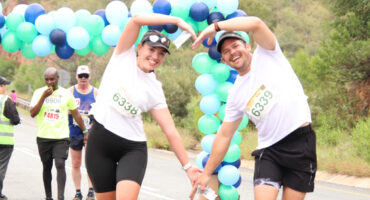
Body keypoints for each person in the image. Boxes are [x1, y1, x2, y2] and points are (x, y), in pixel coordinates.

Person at [190, 16, 317, 200]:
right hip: (270, 151)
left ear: (248, 46)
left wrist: (215, 27)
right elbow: (225, 135)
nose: (232, 52)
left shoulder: (269, 54)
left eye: (235, 46)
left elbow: (256, 23)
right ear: (224, 61)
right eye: (226, 52)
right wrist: (206, 173)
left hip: (301, 143)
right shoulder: (235, 94)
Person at [85, 13, 201, 200]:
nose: (155, 57)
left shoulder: (154, 88)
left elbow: (170, 130)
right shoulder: (122, 56)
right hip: (100, 144)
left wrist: (188, 167)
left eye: (161, 53)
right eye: (151, 50)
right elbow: (136, 20)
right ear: (139, 47)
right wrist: (177, 21)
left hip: (131, 148)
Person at [30, 67, 87, 200]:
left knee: (60, 164)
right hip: (44, 137)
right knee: (47, 167)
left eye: (52, 79)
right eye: (47, 79)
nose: (49, 82)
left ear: (57, 79)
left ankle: (60, 197)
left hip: (61, 137)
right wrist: (44, 97)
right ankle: (48, 196)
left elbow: (76, 114)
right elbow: (32, 113)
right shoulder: (39, 92)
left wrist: (85, 131)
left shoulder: (66, 94)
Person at [68, 65, 98, 200]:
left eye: (86, 76)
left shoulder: (96, 93)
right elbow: (64, 111)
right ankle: (78, 191)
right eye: (81, 76)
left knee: (90, 162)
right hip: (75, 132)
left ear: (90, 77)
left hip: (91, 134)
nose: (83, 78)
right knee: (75, 163)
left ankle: (91, 190)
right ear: (76, 77)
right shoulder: (70, 92)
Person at [0, 77, 20, 200]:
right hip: (5, 141)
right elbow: (16, 119)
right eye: (4, 85)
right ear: (1, 86)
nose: (5, 87)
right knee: (1, 168)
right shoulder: (5, 100)